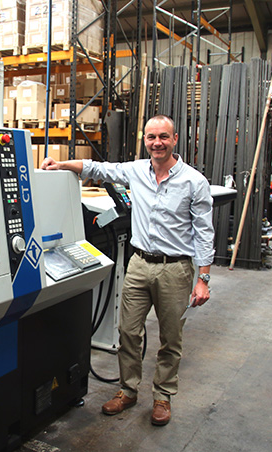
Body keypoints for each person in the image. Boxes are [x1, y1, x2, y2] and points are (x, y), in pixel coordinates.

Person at [41, 115, 214, 426]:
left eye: (163, 137)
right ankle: (128, 390)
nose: (157, 143)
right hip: (139, 265)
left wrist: (203, 279)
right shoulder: (136, 170)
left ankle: (162, 397)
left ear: (175, 139)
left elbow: (204, 233)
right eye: (151, 137)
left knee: (170, 339)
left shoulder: (194, 181)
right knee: (128, 332)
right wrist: (62, 164)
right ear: (145, 140)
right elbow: (98, 169)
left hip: (175, 269)